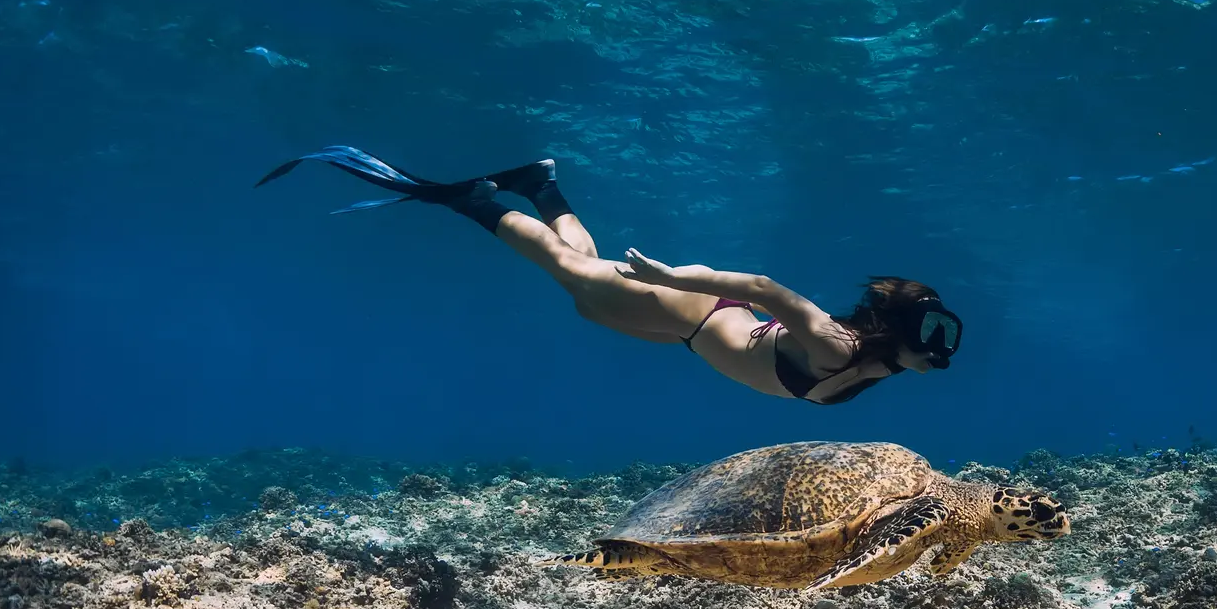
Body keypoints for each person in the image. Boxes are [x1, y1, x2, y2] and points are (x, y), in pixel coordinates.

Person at [258, 147, 961, 405]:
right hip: (693, 306)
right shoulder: (836, 345)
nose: (941, 348)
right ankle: (466, 200)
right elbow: (765, 287)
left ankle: (539, 184)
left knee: (585, 297)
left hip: (689, 331)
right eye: (933, 332)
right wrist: (672, 274)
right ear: (897, 332)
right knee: (569, 272)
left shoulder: (879, 367)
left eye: (941, 334)